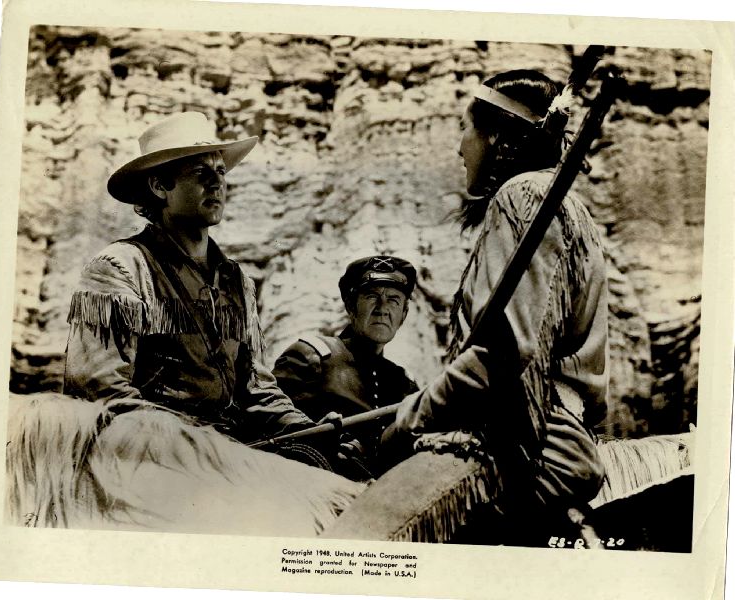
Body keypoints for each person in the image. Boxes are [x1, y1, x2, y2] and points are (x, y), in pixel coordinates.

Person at [384, 70, 609, 543]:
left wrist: (407, 418)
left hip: (520, 450)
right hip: (563, 438)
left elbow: (503, 355)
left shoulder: (521, 196)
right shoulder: (568, 205)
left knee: (357, 541)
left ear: (495, 136)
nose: (458, 148)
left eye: (463, 130)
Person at [63, 111, 320, 453]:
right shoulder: (122, 266)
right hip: (147, 453)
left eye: (220, 171)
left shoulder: (237, 281)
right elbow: (98, 389)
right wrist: (197, 446)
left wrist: (311, 431)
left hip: (229, 452)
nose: (216, 183)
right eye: (200, 173)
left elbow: (257, 390)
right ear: (159, 186)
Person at [273, 256, 419, 480]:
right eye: (372, 297)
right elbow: (270, 429)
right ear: (351, 306)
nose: (383, 309)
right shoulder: (311, 356)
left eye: (394, 300)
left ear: (403, 316)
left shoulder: (403, 384)